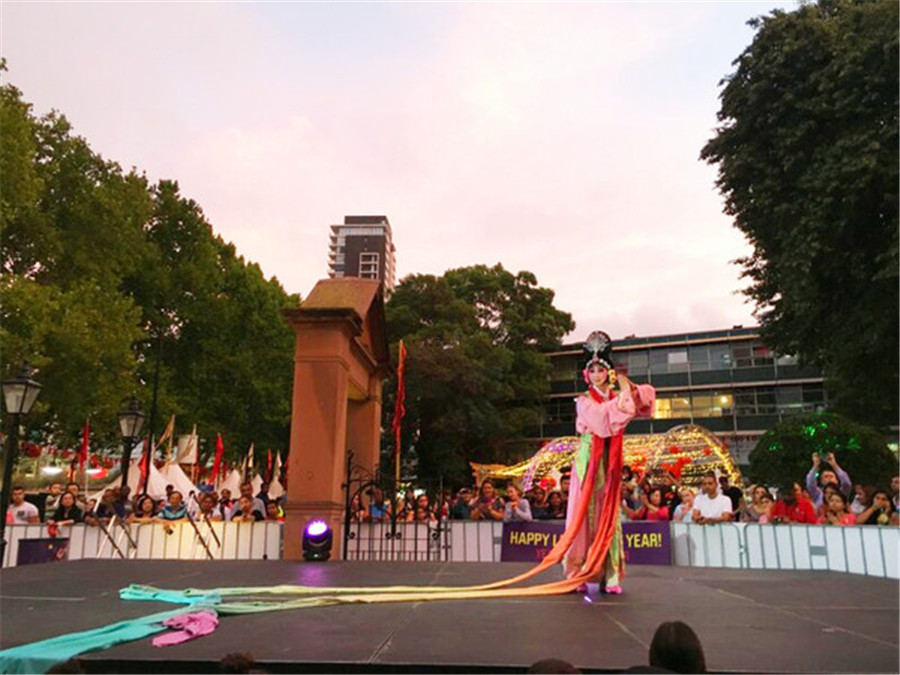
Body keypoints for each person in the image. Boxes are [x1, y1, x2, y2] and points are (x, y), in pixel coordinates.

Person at [564, 330, 655, 594]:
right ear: (586, 375)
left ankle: (611, 573)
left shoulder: (618, 397)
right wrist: (626, 397)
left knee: (609, 515)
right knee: (583, 517)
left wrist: (630, 389)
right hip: (588, 461)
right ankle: (577, 572)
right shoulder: (583, 402)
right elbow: (602, 422)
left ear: (608, 372)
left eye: (600, 370)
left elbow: (644, 399)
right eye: (591, 371)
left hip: (611, 459)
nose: (596, 375)